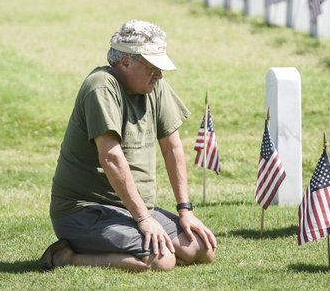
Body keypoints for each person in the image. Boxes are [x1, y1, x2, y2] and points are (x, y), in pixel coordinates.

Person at [41, 20, 217, 272]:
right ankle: (66, 257)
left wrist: (185, 210)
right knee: (161, 260)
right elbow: (111, 158)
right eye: (152, 67)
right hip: (85, 212)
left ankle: (126, 240)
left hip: (132, 210)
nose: (159, 74)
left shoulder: (155, 85)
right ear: (125, 62)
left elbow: (173, 148)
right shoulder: (100, 86)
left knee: (201, 249)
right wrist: (144, 219)